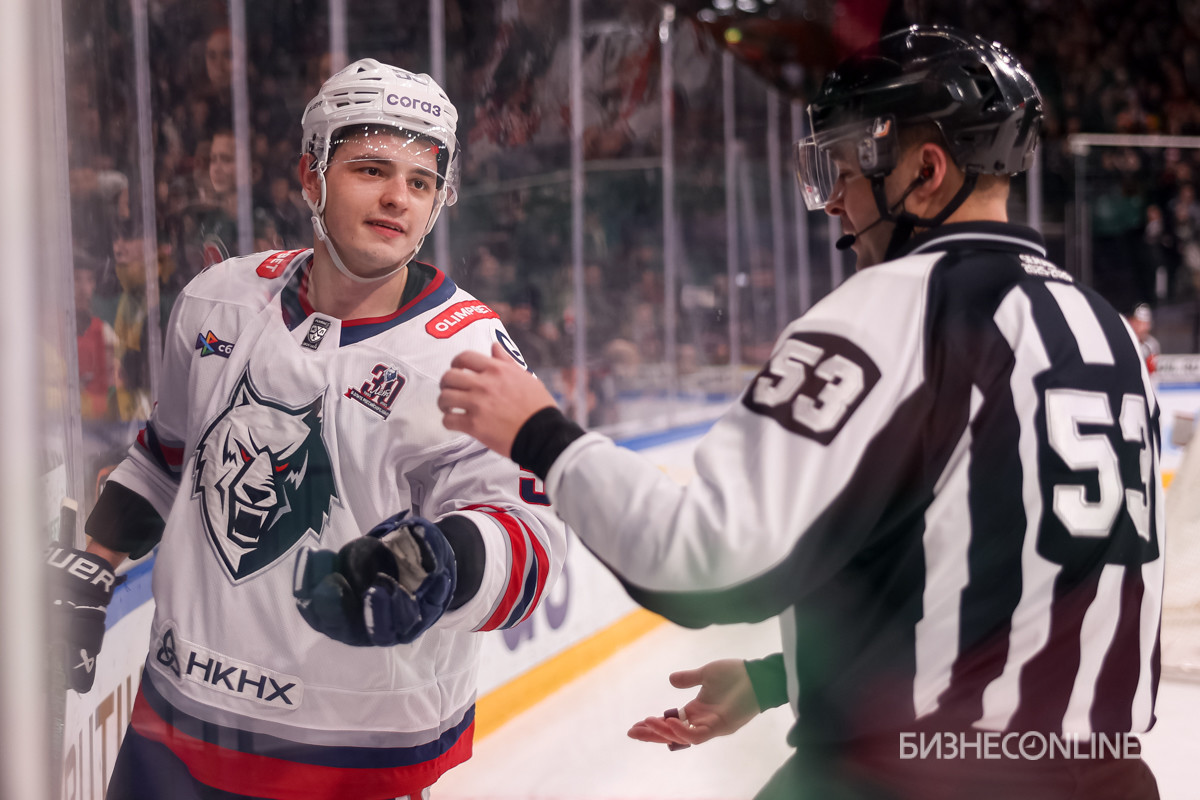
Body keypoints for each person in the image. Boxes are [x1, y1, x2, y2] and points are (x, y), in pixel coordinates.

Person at [437, 26, 1164, 800]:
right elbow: (1003, 573)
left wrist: (542, 434)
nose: (836, 204)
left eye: (847, 171)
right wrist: (780, 675)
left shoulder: (890, 310)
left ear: (926, 172)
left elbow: (702, 565)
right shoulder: (1106, 331)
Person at [48, 58, 566, 800]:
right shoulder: (219, 301)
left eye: (421, 182)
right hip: (176, 720)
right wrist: (95, 564)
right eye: (371, 169)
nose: (398, 197)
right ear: (311, 175)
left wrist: (442, 561)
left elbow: (531, 536)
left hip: (351, 753)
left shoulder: (468, 353)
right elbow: (168, 456)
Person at [1128, 303, 1161, 375]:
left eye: (1146, 324)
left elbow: (1152, 371)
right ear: (1131, 322)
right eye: (1140, 323)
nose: (1144, 328)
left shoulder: (1152, 344)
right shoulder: (1126, 341)